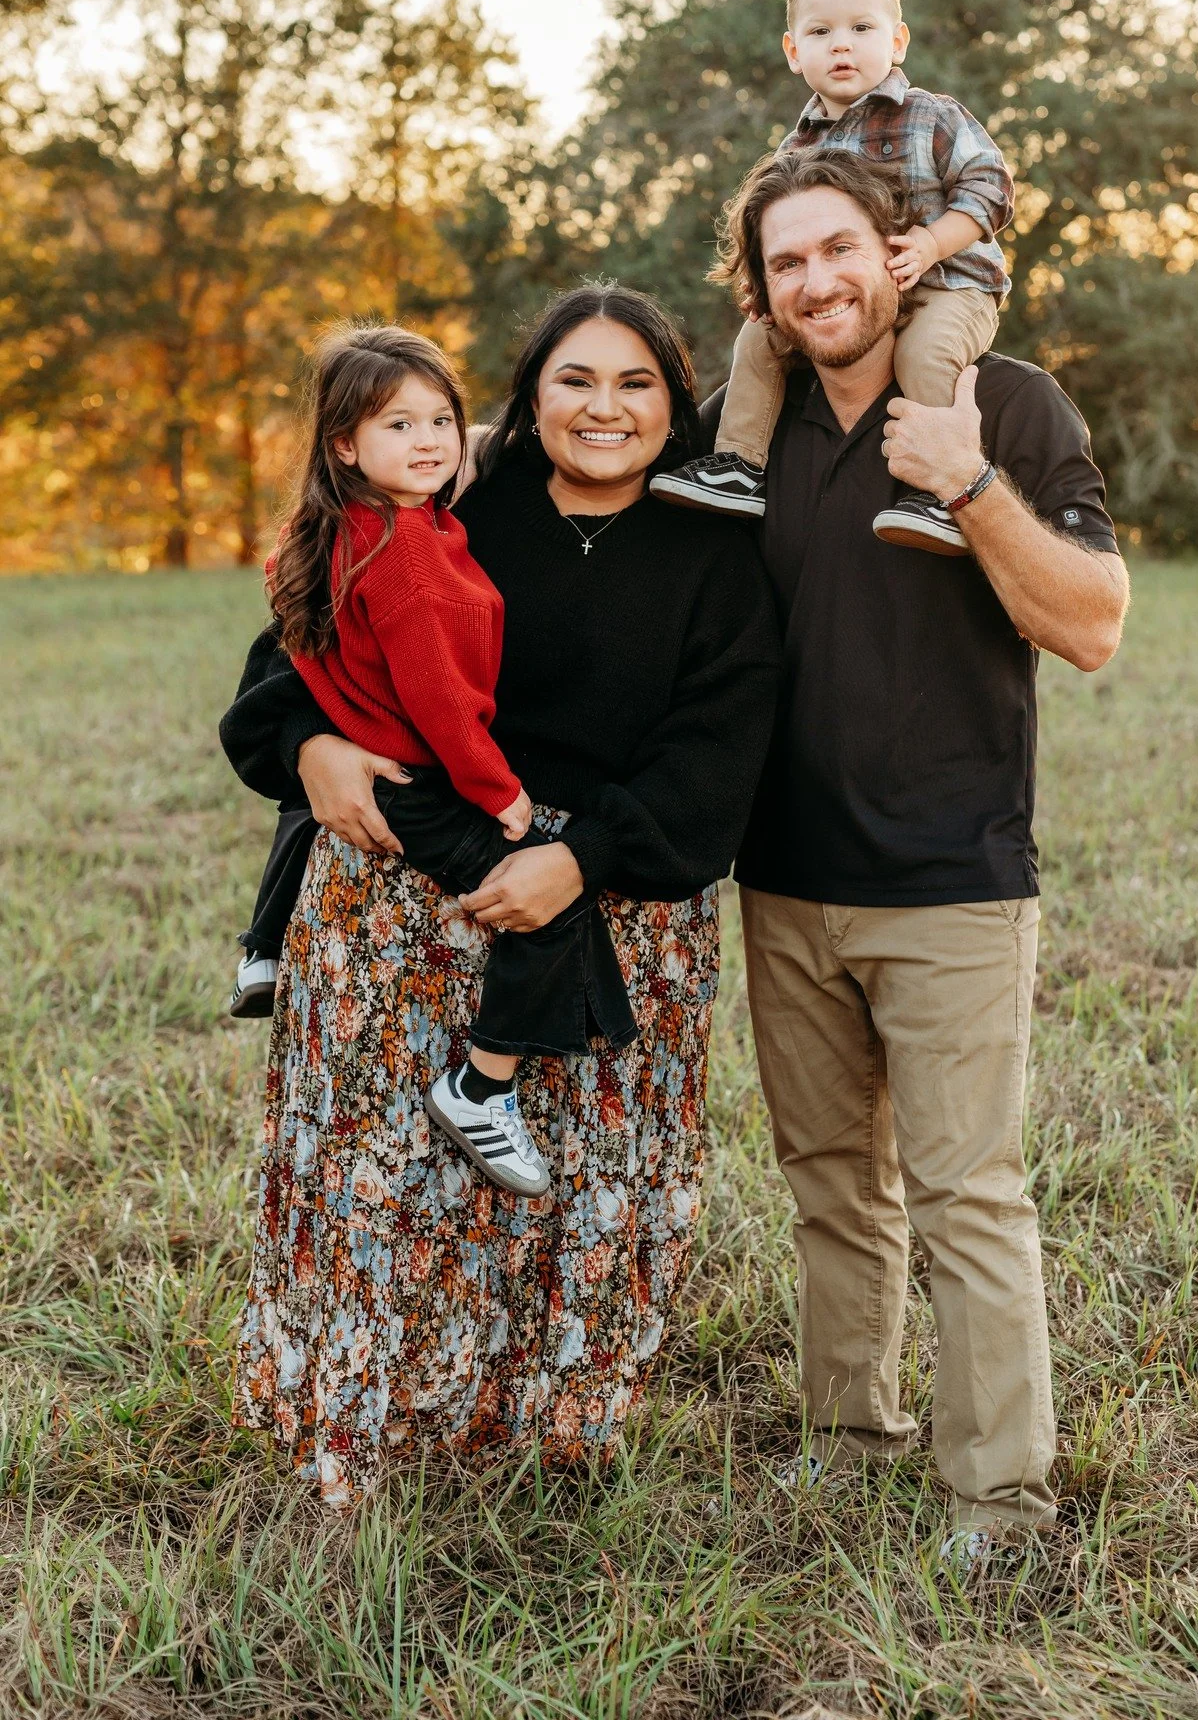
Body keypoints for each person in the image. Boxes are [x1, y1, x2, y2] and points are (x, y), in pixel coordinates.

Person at [219, 285, 780, 1503]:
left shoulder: (716, 541)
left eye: (635, 383)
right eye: (574, 378)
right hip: (402, 906)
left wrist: (581, 855)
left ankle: (547, 1442)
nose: (603, 407)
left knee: (580, 1182)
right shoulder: (459, 498)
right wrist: (311, 748)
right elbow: (301, 644)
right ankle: (365, 1426)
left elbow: (720, 739)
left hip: (613, 901)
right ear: (528, 395)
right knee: (386, 1171)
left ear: (675, 403)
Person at [703, 145, 1128, 1572]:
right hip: (780, 880)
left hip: (951, 878)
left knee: (965, 1197)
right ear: (760, 294)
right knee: (829, 1183)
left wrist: (969, 485)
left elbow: (1090, 622)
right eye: (785, 262)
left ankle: (999, 1502)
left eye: (838, 247)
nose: (815, 280)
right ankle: (846, 1440)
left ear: (895, 249)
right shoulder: (744, 434)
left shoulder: (1005, 401)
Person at [228, 321, 639, 1199]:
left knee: (303, 809)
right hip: (420, 779)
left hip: (380, 755)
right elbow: (441, 702)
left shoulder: (354, 522)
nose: (428, 441)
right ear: (344, 445)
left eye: (440, 421)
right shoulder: (409, 551)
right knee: (550, 903)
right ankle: (481, 1088)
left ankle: (260, 947)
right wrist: (501, 794)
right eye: (398, 425)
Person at [650, 0, 1013, 555]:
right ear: (794, 52)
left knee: (924, 357)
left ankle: (938, 490)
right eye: (821, 32)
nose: (841, 45)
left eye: (861, 28)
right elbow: (768, 230)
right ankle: (739, 464)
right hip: (846, 296)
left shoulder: (932, 116)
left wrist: (930, 242)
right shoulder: (797, 149)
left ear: (897, 41)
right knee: (758, 340)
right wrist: (763, 290)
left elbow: (991, 188)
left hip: (948, 286)